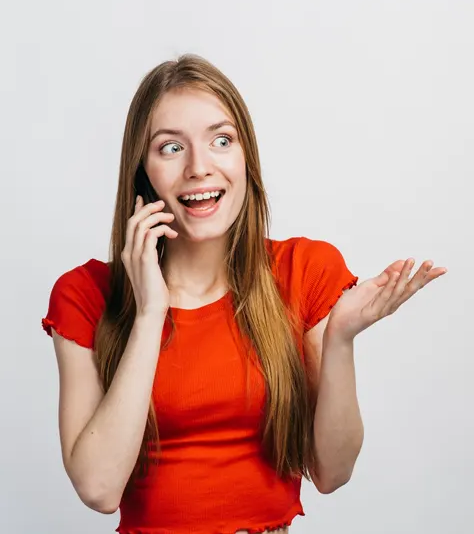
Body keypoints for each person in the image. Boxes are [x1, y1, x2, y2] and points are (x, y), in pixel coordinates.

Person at [41, 54, 447, 534]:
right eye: (171, 148)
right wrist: (151, 312)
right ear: (142, 173)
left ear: (245, 157)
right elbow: (98, 488)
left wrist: (339, 340)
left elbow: (332, 472)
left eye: (221, 140)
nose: (199, 167)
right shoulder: (84, 295)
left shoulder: (304, 272)